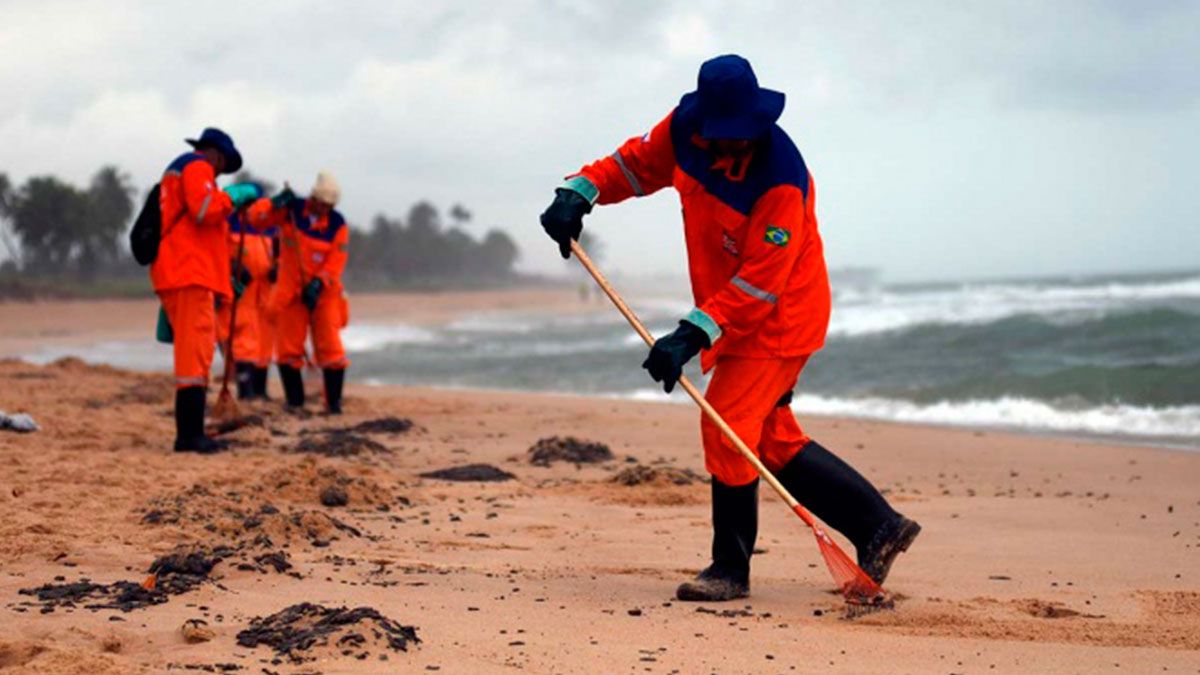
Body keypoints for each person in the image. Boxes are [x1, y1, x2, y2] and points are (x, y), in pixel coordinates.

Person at [540, 55, 921, 601]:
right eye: (723, 136)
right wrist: (581, 191)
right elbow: (634, 166)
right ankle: (878, 527)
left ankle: (730, 569)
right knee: (768, 439)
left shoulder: (781, 181)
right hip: (735, 310)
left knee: (728, 428)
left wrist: (690, 335)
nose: (732, 145)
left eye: (741, 135)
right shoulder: (683, 130)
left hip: (782, 316)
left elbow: (762, 286)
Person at [151, 127, 259, 452]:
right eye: (222, 167)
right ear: (214, 154)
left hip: (187, 272)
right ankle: (188, 436)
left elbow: (207, 233)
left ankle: (191, 432)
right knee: (194, 356)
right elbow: (204, 210)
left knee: (196, 351)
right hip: (189, 274)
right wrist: (233, 197)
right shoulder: (196, 166)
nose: (220, 174)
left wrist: (227, 279)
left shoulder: (180, 171)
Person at [245, 172, 350, 413]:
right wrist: (273, 202)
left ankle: (333, 404)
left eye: (329, 206)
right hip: (289, 292)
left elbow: (336, 261)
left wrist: (319, 284)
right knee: (288, 349)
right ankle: (295, 403)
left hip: (324, 294)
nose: (324, 210)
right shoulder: (291, 211)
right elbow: (255, 219)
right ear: (312, 198)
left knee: (331, 348)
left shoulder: (338, 225)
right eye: (321, 204)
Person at [215, 209, 276, 400]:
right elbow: (216, 254)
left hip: (263, 297)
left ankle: (259, 390)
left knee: (262, 347)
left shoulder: (269, 227)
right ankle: (245, 391)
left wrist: (277, 268)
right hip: (239, 296)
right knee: (241, 345)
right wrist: (232, 268)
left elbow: (280, 253)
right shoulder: (227, 223)